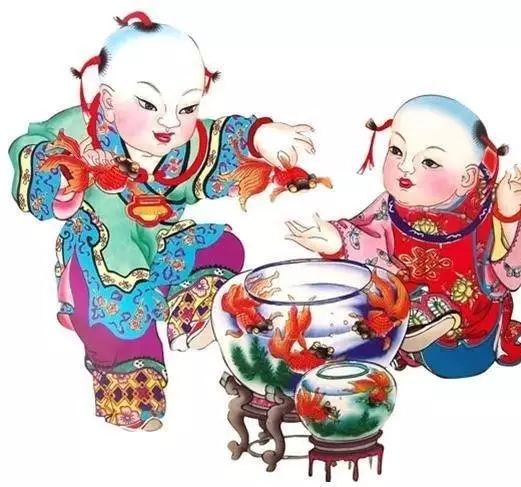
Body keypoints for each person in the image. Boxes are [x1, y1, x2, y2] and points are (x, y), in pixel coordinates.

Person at [8, 11, 314, 430]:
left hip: (163, 241)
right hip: (102, 255)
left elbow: (219, 139)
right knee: (117, 316)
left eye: (187, 107)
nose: (170, 122)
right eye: (150, 105)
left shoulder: (184, 143)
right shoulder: (78, 129)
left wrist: (261, 136)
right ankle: (134, 399)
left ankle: (190, 316)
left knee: (223, 246)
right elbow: (32, 147)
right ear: (107, 98)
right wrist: (61, 174)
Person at [286, 95, 521, 379]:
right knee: (361, 314)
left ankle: (425, 335)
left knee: (454, 362)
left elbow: (506, 271)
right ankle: (407, 338)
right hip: (406, 304)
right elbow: (367, 237)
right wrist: (335, 240)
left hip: (467, 323)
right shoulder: (390, 207)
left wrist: (508, 213)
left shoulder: (484, 211)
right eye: (396, 150)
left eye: (429, 161)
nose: (406, 167)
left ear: (467, 178)